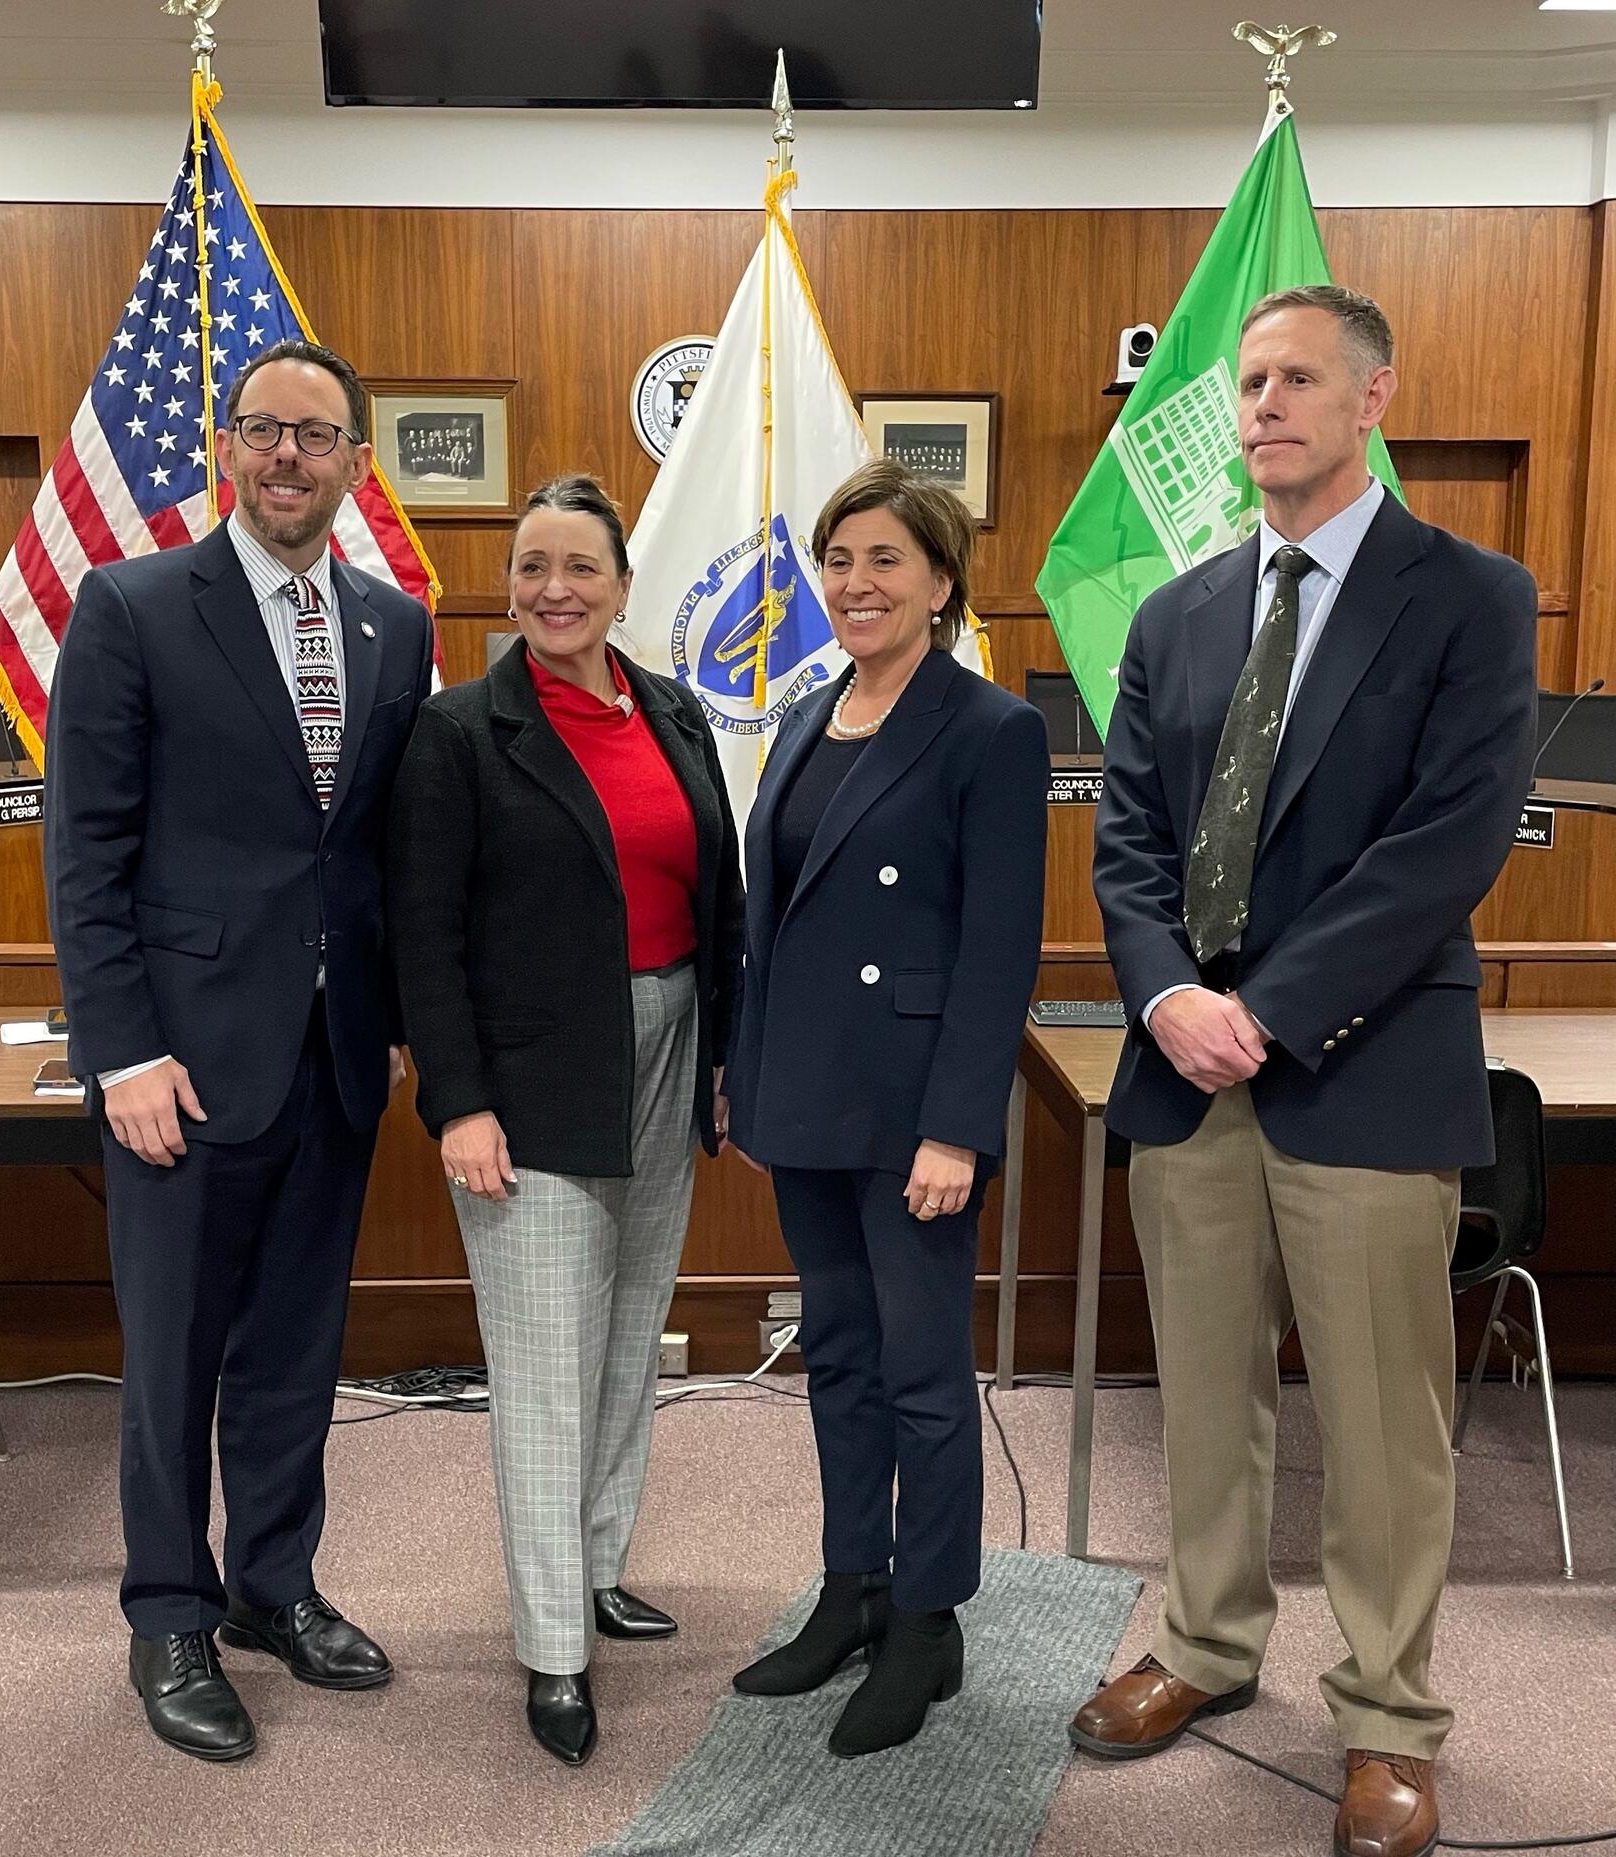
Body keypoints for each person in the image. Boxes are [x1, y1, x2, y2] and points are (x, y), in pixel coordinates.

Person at [1075, 286, 1537, 1857]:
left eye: (1294, 379)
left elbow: (1444, 846)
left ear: (1370, 397)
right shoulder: (1177, 612)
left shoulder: (1468, 596)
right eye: (1248, 381)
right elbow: (1126, 838)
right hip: (1183, 1076)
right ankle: (1206, 1645)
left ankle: (1389, 1717)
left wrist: (1260, 1008)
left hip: (1358, 1062)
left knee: (1379, 1422)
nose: (1262, 403)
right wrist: (1161, 1002)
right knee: (1201, 1397)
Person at [44, 339, 434, 1761]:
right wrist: (121, 1048)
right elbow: (84, 852)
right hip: (182, 1070)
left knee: (291, 1345)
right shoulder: (134, 606)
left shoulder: (397, 626)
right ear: (225, 447)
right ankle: (167, 1610)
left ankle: (275, 1581)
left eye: (318, 435)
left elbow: (378, 852)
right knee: (174, 1355)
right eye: (264, 429)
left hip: (331, 1059)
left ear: (354, 463)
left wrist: (387, 1017)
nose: (289, 456)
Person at [385, 474, 744, 1769]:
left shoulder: (672, 709)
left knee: (624, 1336)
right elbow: (421, 932)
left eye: (578, 568)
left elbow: (720, 894)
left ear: (620, 586)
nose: (552, 589)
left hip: (666, 1048)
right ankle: (550, 1647)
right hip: (528, 1083)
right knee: (543, 1366)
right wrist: (458, 1099)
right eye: (532, 565)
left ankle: (593, 1569)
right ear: (511, 582)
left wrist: (721, 1051)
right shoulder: (459, 732)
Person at [723, 459, 1048, 1758]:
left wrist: (958, 1124)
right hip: (807, 1093)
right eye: (838, 558)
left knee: (921, 1374)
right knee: (841, 1358)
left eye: (884, 561)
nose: (855, 583)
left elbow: (996, 944)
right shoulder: (806, 713)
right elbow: (769, 924)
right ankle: (850, 1588)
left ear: (938, 581)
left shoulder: (986, 727)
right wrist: (748, 1081)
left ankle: (927, 1618)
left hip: (914, 1105)